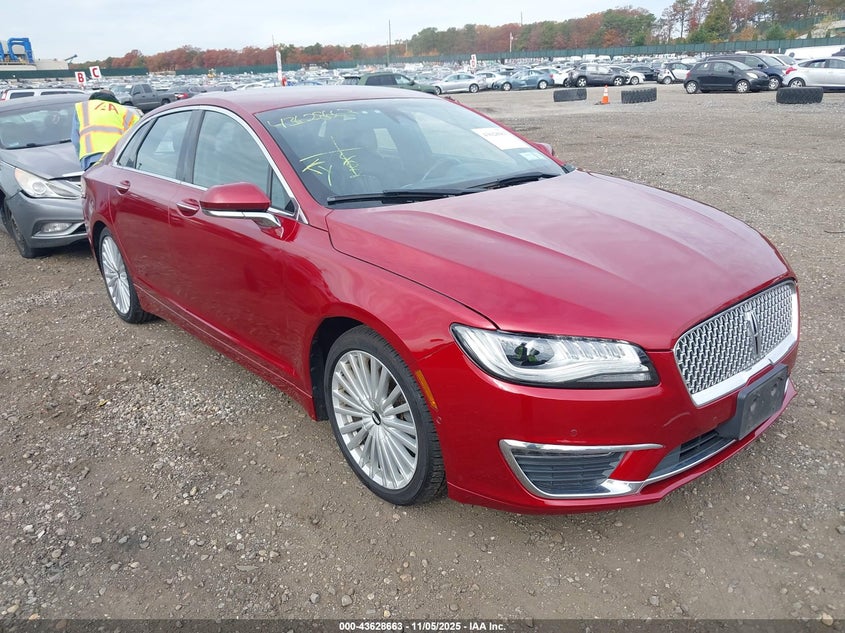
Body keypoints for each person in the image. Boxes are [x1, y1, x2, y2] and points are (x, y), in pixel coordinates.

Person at [71, 90, 141, 170]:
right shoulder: (126, 112)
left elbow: (76, 139)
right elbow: (136, 140)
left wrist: (82, 158)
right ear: (114, 99)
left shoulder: (83, 107)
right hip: (119, 157)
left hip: (92, 157)